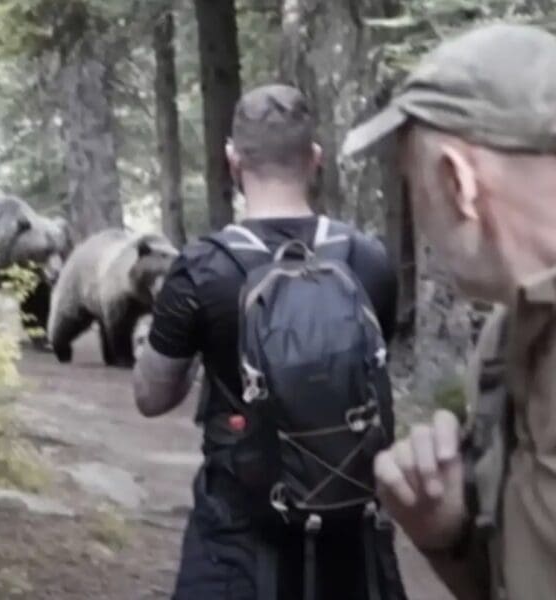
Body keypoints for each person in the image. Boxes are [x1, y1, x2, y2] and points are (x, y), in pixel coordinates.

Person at [134, 84, 407, 599]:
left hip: (238, 539)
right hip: (350, 540)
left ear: (233, 162)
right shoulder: (368, 260)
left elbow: (151, 398)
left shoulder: (202, 268)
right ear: (316, 159)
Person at [342, 22, 556, 600]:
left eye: (412, 186)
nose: (418, 222)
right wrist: (450, 533)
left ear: (458, 183)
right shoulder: (507, 347)